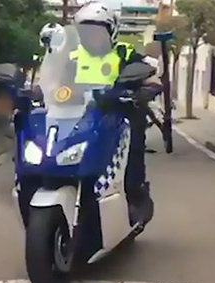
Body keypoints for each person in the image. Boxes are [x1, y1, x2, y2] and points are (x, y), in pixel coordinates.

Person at [70, 1, 155, 225]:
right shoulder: (72, 56)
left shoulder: (124, 53)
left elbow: (149, 75)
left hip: (118, 115)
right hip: (78, 116)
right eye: (86, 31)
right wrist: (36, 89)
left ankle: (134, 196)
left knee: (134, 139)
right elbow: (52, 78)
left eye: (97, 31)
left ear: (111, 31)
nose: (92, 36)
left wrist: (146, 88)